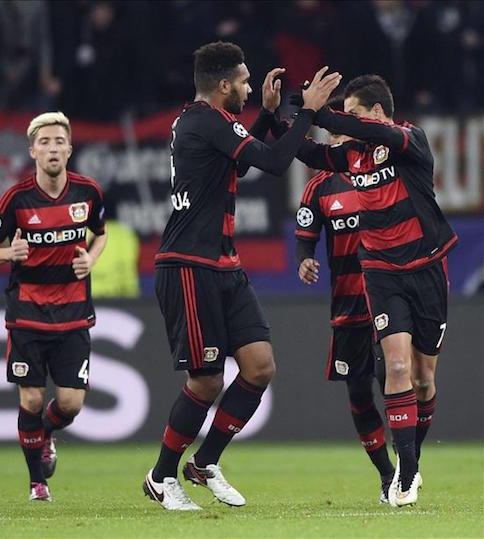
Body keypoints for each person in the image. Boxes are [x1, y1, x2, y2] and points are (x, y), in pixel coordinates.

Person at [143, 41, 341, 511]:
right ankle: (161, 475)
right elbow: (272, 165)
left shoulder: (207, 121)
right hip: (189, 265)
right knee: (207, 382)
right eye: (246, 82)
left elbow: (242, 161)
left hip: (224, 264)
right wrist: (308, 113)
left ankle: (205, 461)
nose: (252, 88)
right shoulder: (204, 121)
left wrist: (271, 117)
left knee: (259, 366)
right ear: (224, 85)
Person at [291, 74, 457, 506]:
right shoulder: (354, 157)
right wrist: (279, 114)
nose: (350, 122)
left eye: (355, 113)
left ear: (379, 112)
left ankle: (411, 462)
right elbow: (308, 150)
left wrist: (318, 110)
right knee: (397, 368)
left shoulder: (408, 139)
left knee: (423, 380)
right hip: (381, 272)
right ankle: (403, 477)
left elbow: (366, 130)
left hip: (427, 267)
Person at [0, 111, 107, 502]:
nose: (52, 148)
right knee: (31, 399)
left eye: (59, 142)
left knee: (70, 404)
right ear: (32, 151)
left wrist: (92, 259)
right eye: (44, 142)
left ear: (69, 149)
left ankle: (46, 433)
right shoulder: (15, 199)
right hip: (28, 313)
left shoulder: (89, 192)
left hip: (73, 312)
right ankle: (38, 483)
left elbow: (101, 235)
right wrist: (7, 252)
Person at [293, 97, 395, 504]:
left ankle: (407, 464)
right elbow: (304, 243)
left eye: (339, 131)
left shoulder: (380, 173)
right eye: (329, 134)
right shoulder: (318, 187)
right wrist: (304, 264)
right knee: (358, 392)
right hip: (347, 305)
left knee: (395, 380)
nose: (334, 140)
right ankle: (387, 474)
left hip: (386, 297)